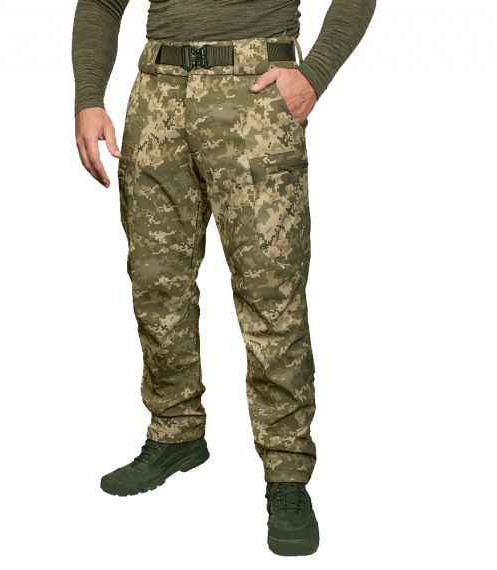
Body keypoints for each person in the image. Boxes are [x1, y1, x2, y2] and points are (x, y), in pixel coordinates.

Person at [71, 0, 376, 558]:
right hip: (157, 90)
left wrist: (314, 72)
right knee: (157, 283)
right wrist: (89, 97)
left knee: (271, 292)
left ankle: (286, 473)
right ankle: (175, 432)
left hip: (254, 90)